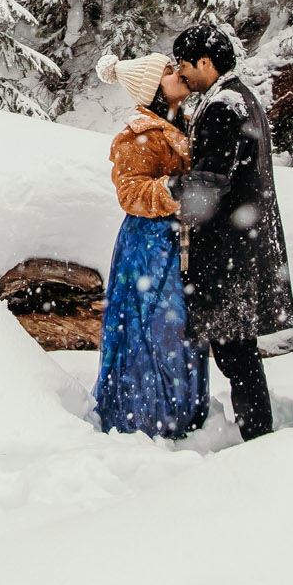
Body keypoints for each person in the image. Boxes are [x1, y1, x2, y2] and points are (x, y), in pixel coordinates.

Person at [167, 22, 293, 441]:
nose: (181, 72)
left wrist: (166, 193)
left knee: (235, 354)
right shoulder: (242, 98)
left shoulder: (224, 106)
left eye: (185, 64)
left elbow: (208, 184)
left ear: (206, 62)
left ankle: (258, 440)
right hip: (242, 249)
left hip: (226, 255)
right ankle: (259, 435)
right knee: (238, 352)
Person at [90, 50, 208, 437]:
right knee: (152, 326)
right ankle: (142, 418)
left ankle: (180, 412)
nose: (179, 74)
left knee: (180, 327)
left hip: (179, 242)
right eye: (170, 72)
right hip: (149, 246)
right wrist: (177, 189)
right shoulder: (138, 134)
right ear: (154, 87)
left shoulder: (183, 123)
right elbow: (130, 193)